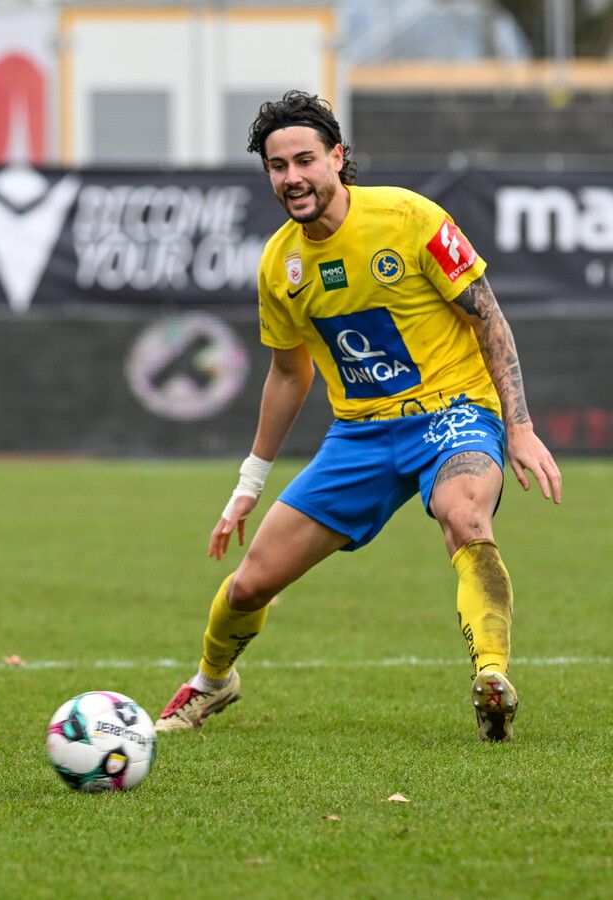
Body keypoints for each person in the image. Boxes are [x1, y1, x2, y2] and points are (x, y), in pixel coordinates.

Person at [154, 90, 561, 742]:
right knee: (250, 583)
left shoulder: (410, 217)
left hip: (452, 412)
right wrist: (247, 486)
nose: (293, 178)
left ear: (338, 158)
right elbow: (290, 373)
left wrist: (518, 425)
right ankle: (211, 682)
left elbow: (488, 315)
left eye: (305, 160)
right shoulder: (279, 266)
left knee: (464, 514)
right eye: (277, 166)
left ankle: (492, 680)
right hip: (362, 436)